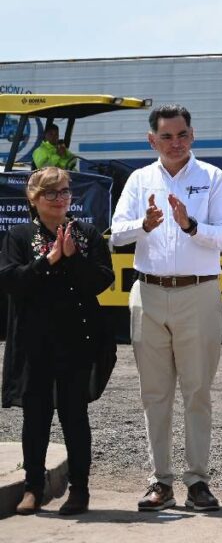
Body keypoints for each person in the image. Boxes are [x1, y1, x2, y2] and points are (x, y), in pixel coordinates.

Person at [110, 104, 222, 512]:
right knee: (155, 394)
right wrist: (144, 225)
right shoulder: (139, 179)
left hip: (198, 294)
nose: (175, 143)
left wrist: (190, 227)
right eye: (166, 136)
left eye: (182, 134)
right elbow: (116, 236)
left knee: (197, 391)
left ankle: (198, 480)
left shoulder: (211, 177)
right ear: (152, 140)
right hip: (148, 293)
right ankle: (160, 481)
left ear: (192, 135)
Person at [1, 167, 115, 515]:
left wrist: (72, 257)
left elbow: (101, 280)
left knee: (74, 415)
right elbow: (10, 280)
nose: (60, 198)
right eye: (51, 193)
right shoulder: (18, 236)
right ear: (34, 198)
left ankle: (80, 490)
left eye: (65, 191)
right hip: (35, 341)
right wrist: (47, 260)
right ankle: (33, 487)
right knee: (35, 417)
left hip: (76, 340)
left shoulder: (86, 233)